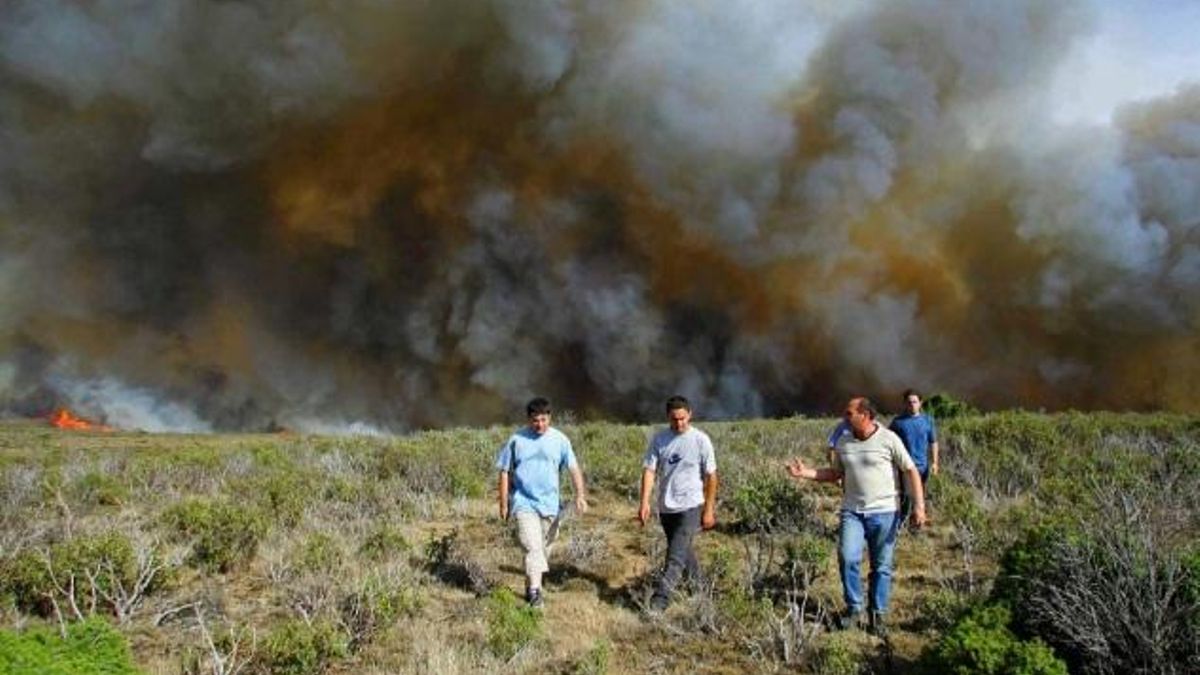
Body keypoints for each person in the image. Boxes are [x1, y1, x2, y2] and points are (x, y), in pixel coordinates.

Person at [786, 396, 926, 637]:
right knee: (847, 558)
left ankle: (877, 614)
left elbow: (910, 470)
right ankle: (854, 608)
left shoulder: (889, 439)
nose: (844, 417)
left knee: (881, 566)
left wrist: (919, 507)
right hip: (852, 511)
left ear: (866, 415)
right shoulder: (844, 440)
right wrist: (805, 473)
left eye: (849, 413)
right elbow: (835, 473)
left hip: (885, 512)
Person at [496, 397, 588, 609]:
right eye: (535, 420)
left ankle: (530, 587)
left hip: (550, 506)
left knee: (543, 549)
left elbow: (573, 468)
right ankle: (536, 594)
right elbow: (504, 472)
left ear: (550, 418)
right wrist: (503, 503)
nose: (540, 424)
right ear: (528, 419)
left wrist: (580, 495)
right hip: (523, 502)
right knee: (533, 547)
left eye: (544, 420)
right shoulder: (516, 440)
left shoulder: (560, 440)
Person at [637, 395, 718, 614]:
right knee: (683, 552)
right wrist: (644, 502)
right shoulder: (659, 440)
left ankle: (659, 601)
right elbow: (649, 471)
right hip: (666, 507)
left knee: (674, 557)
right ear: (667, 418)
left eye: (683, 418)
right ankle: (701, 590)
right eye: (674, 419)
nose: (679, 423)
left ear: (690, 414)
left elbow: (711, 476)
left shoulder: (701, 440)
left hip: (691, 506)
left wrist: (709, 509)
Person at [889, 389, 939, 524]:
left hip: (923, 466)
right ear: (905, 404)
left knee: (921, 494)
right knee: (906, 496)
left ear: (920, 403)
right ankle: (903, 522)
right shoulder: (897, 422)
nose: (912, 404)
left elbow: (933, 442)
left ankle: (918, 523)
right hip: (905, 466)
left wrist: (935, 462)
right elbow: (889, 442)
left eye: (915, 402)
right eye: (909, 402)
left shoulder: (928, 420)